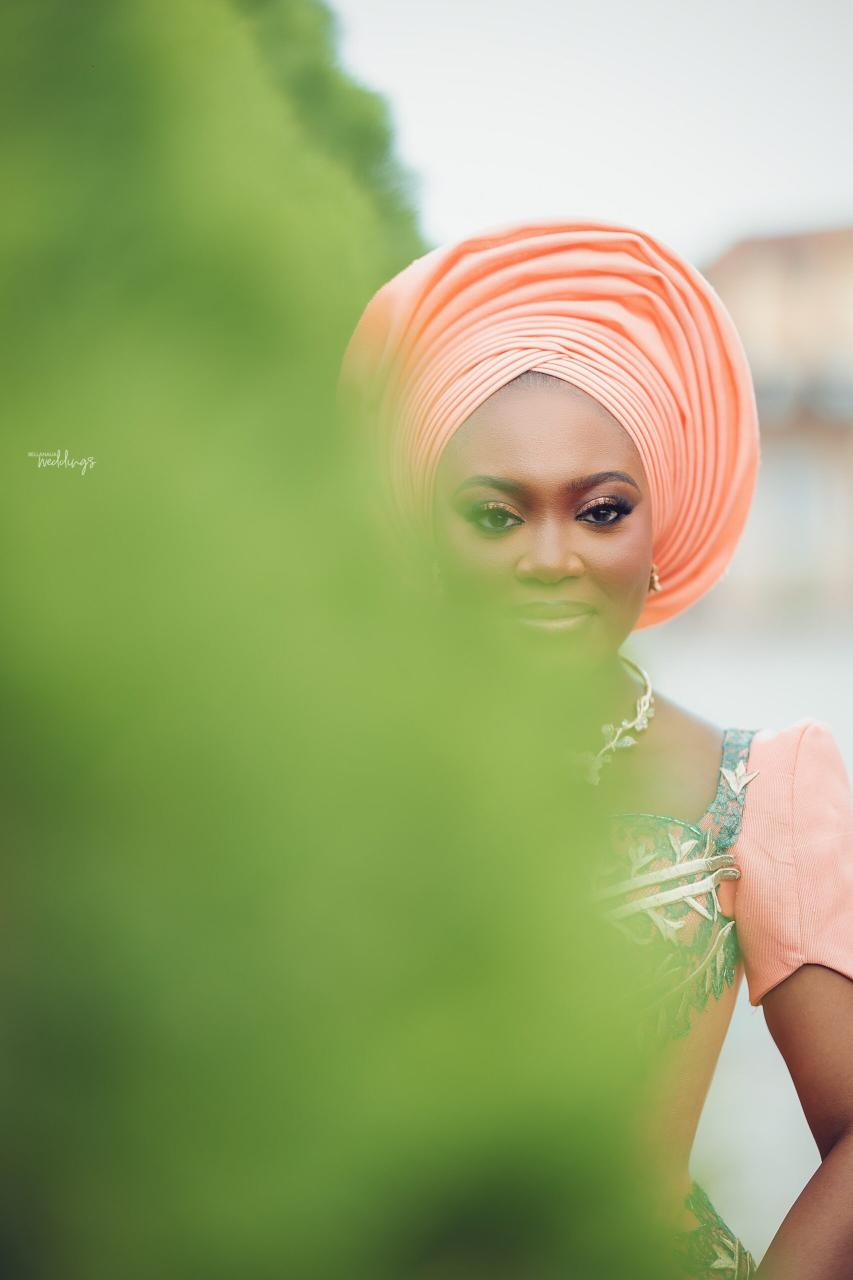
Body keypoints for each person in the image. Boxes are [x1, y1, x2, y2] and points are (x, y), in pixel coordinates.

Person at [340, 220, 853, 1278]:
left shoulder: (759, 787)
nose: (550, 557)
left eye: (601, 510)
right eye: (494, 515)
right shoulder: (328, 774)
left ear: (657, 531)